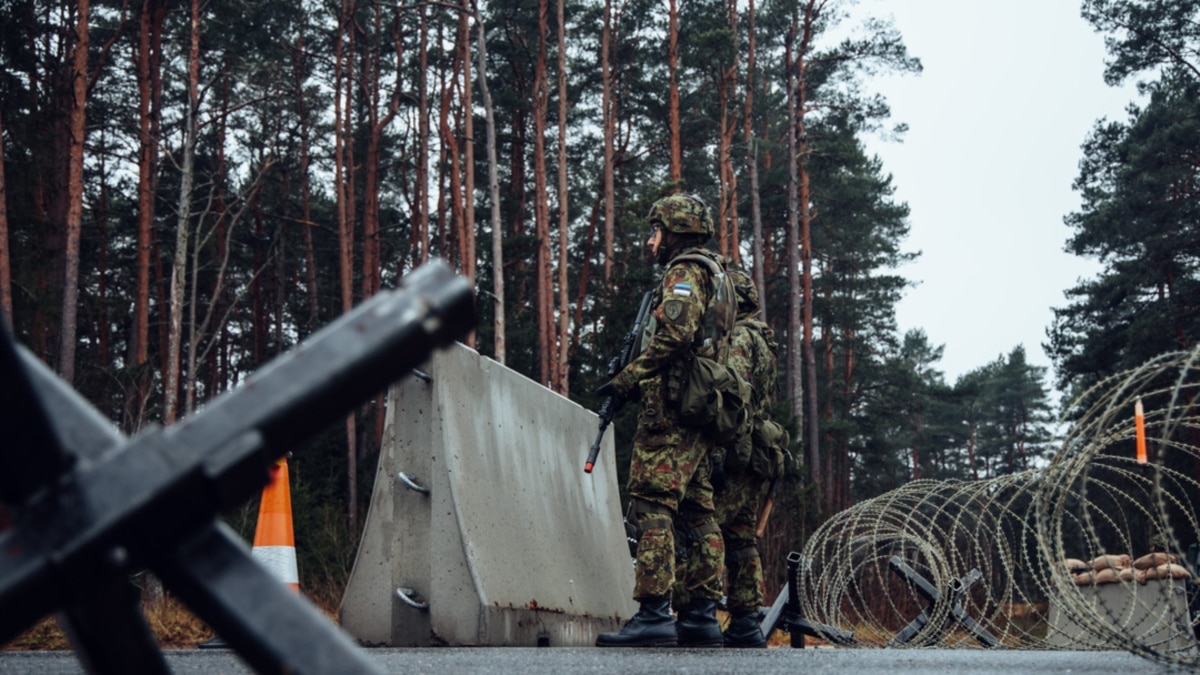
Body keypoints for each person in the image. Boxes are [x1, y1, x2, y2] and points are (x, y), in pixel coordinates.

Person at [594, 193, 734, 648]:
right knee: (698, 514)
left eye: (657, 231)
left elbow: (674, 335)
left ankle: (654, 614)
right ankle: (701, 616)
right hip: (697, 410)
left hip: (672, 410)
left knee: (653, 504)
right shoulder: (716, 274)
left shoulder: (684, 272)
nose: (652, 241)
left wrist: (626, 379)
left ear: (675, 231)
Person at [712, 268, 779, 648]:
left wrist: (718, 452)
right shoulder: (764, 339)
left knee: (705, 527)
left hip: (737, 449)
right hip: (756, 450)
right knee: (741, 537)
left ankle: (698, 611)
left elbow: (731, 394)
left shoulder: (739, 338)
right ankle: (746, 619)